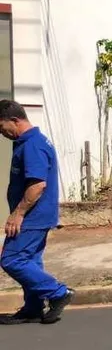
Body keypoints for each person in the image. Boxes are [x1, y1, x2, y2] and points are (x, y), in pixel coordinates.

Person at [0, 100, 74, 325]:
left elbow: (37, 185)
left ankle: (59, 292)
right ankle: (33, 307)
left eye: (2, 127)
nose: (2, 133)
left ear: (15, 120)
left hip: (33, 216)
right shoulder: (28, 142)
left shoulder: (32, 145)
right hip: (37, 215)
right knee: (29, 259)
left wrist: (18, 214)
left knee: (11, 259)